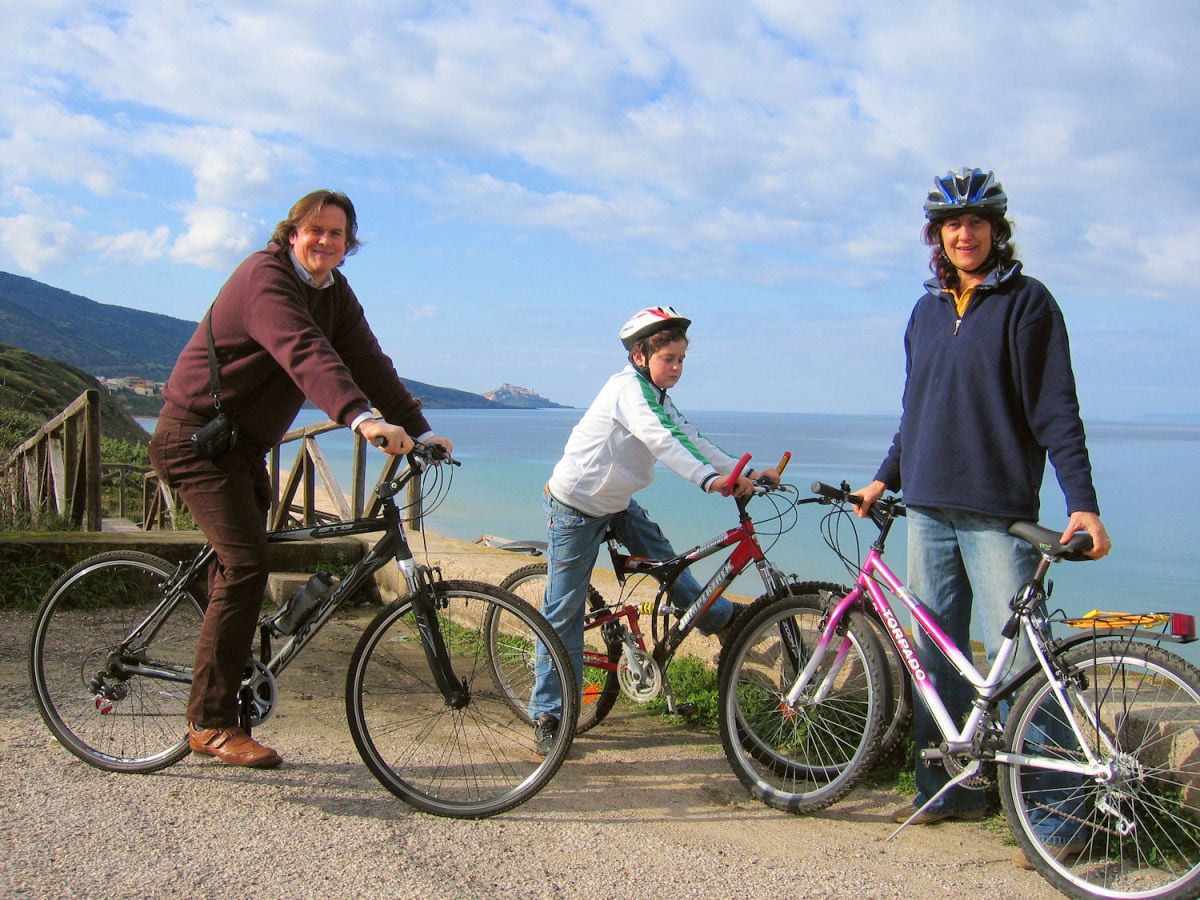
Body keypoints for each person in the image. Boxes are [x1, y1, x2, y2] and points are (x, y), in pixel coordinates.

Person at [854, 167, 1111, 866]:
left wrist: (1081, 501)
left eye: (977, 222)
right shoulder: (924, 312)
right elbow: (917, 409)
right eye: (951, 224)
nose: (964, 234)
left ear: (998, 230)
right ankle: (950, 788)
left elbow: (1057, 409)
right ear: (936, 236)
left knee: (1027, 665)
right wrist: (884, 478)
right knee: (934, 655)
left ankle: (1057, 820)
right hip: (926, 509)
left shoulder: (1028, 304)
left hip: (998, 512)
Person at [149, 189, 452, 769]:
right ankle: (210, 722)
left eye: (337, 235)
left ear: (347, 246)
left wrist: (421, 430)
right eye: (315, 230)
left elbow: (369, 362)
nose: (325, 241)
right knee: (244, 567)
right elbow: (304, 351)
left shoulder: (334, 293)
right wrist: (358, 418)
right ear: (292, 233)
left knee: (236, 568)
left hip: (243, 450)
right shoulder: (265, 277)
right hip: (195, 442)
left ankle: (223, 678)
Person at [529, 306, 782, 753]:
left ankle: (719, 621)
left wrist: (745, 472)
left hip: (617, 503)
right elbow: (661, 439)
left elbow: (688, 436)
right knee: (563, 612)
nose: (678, 368)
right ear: (640, 355)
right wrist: (708, 479)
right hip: (576, 506)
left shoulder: (656, 394)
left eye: (682, 359)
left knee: (670, 564)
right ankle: (550, 713)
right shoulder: (628, 390)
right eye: (670, 359)